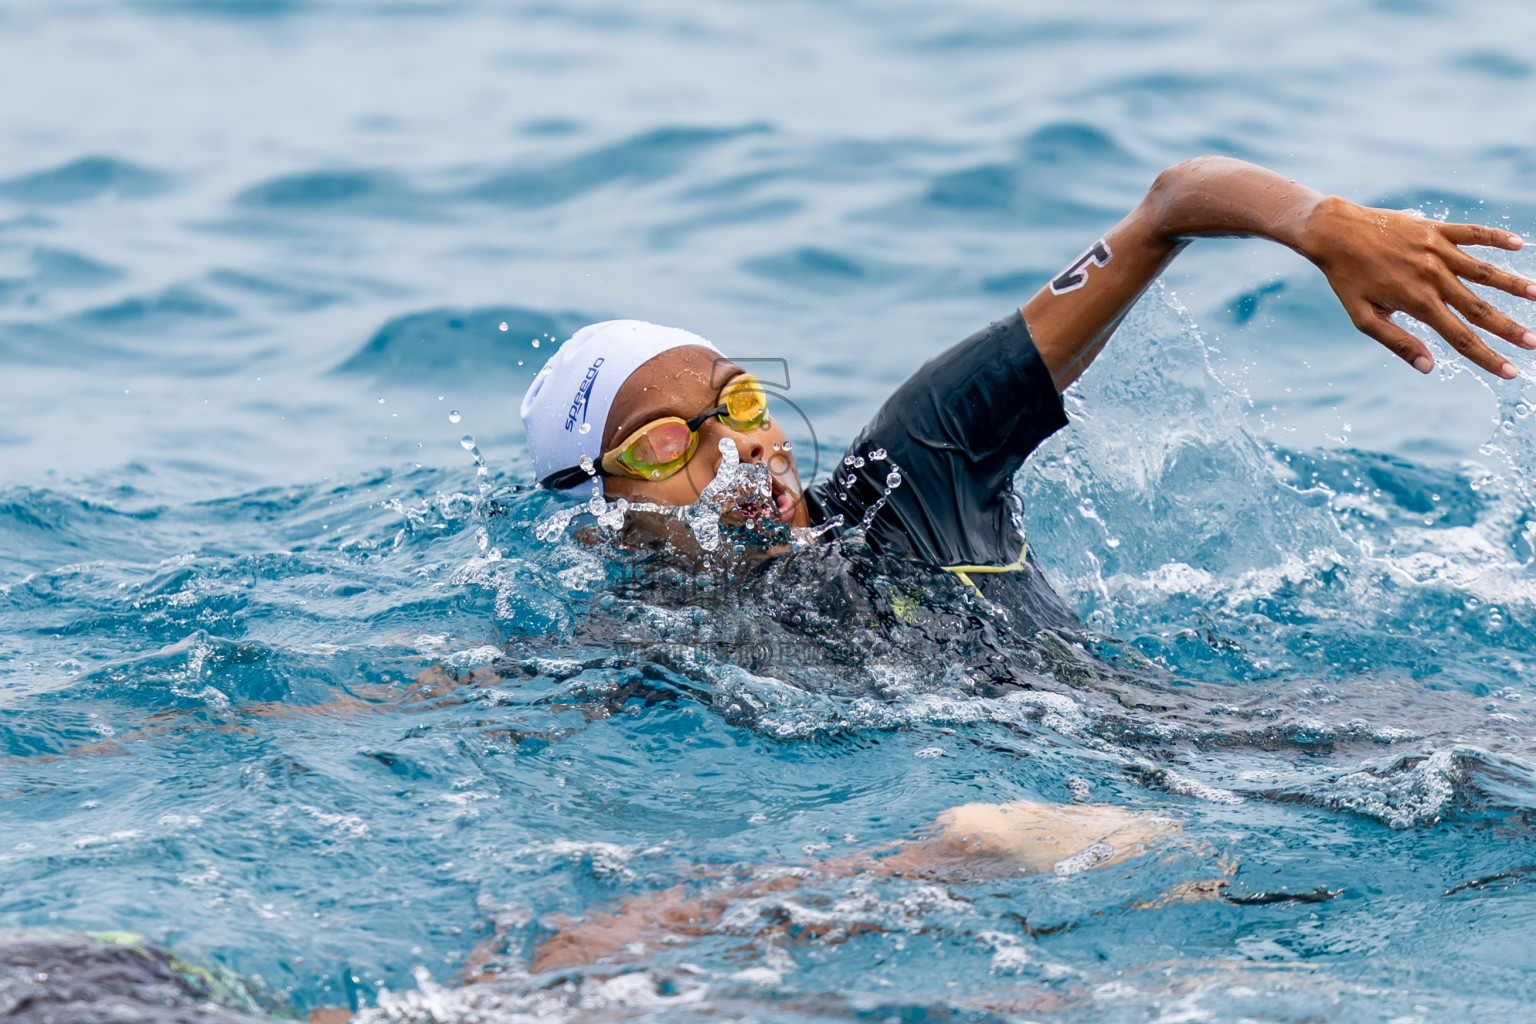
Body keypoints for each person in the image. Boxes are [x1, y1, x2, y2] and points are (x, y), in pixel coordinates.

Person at [519, 156, 1536, 606]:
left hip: (1230, 763)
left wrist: (1318, 224)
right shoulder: (631, 656)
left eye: (741, 401)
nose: (742, 445)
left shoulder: (910, 471)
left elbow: (1171, 203)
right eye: (666, 443)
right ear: (599, 509)